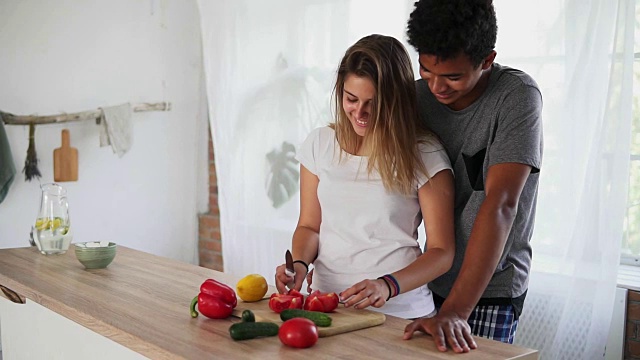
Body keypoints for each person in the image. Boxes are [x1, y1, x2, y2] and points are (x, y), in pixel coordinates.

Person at [274, 34, 456, 320]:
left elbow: (442, 251)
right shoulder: (320, 144)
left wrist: (387, 286)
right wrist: (298, 264)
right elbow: (310, 226)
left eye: (373, 102)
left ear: (395, 100)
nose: (359, 112)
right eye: (351, 99)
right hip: (327, 307)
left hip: (400, 312)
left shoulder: (424, 153)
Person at [401, 0, 544, 353]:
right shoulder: (416, 97)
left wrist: (454, 311)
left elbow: (501, 205)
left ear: (487, 61)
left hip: (491, 285)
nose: (437, 87)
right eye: (426, 71)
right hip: (429, 274)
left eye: (452, 76)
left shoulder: (517, 97)